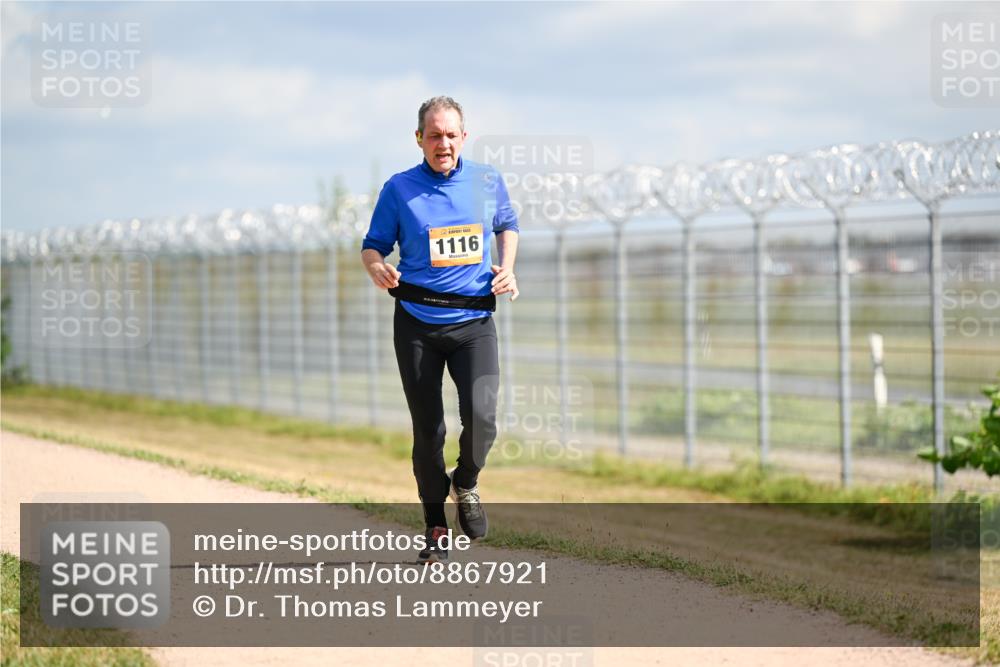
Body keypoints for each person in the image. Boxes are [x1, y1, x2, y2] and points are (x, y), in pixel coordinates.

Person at [360, 96, 519, 564]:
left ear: (464, 137)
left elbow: (507, 225)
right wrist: (376, 266)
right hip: (417, 324)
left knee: (483, 418)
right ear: (419, 139)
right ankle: (435, 528)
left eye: (451, 135)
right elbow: (372, 246)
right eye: (434, 135)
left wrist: (508, 267)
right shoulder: (399, 188)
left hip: (474, 323)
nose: (443, 143)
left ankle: (465, 482)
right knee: (428, 430)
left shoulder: (486, 181)